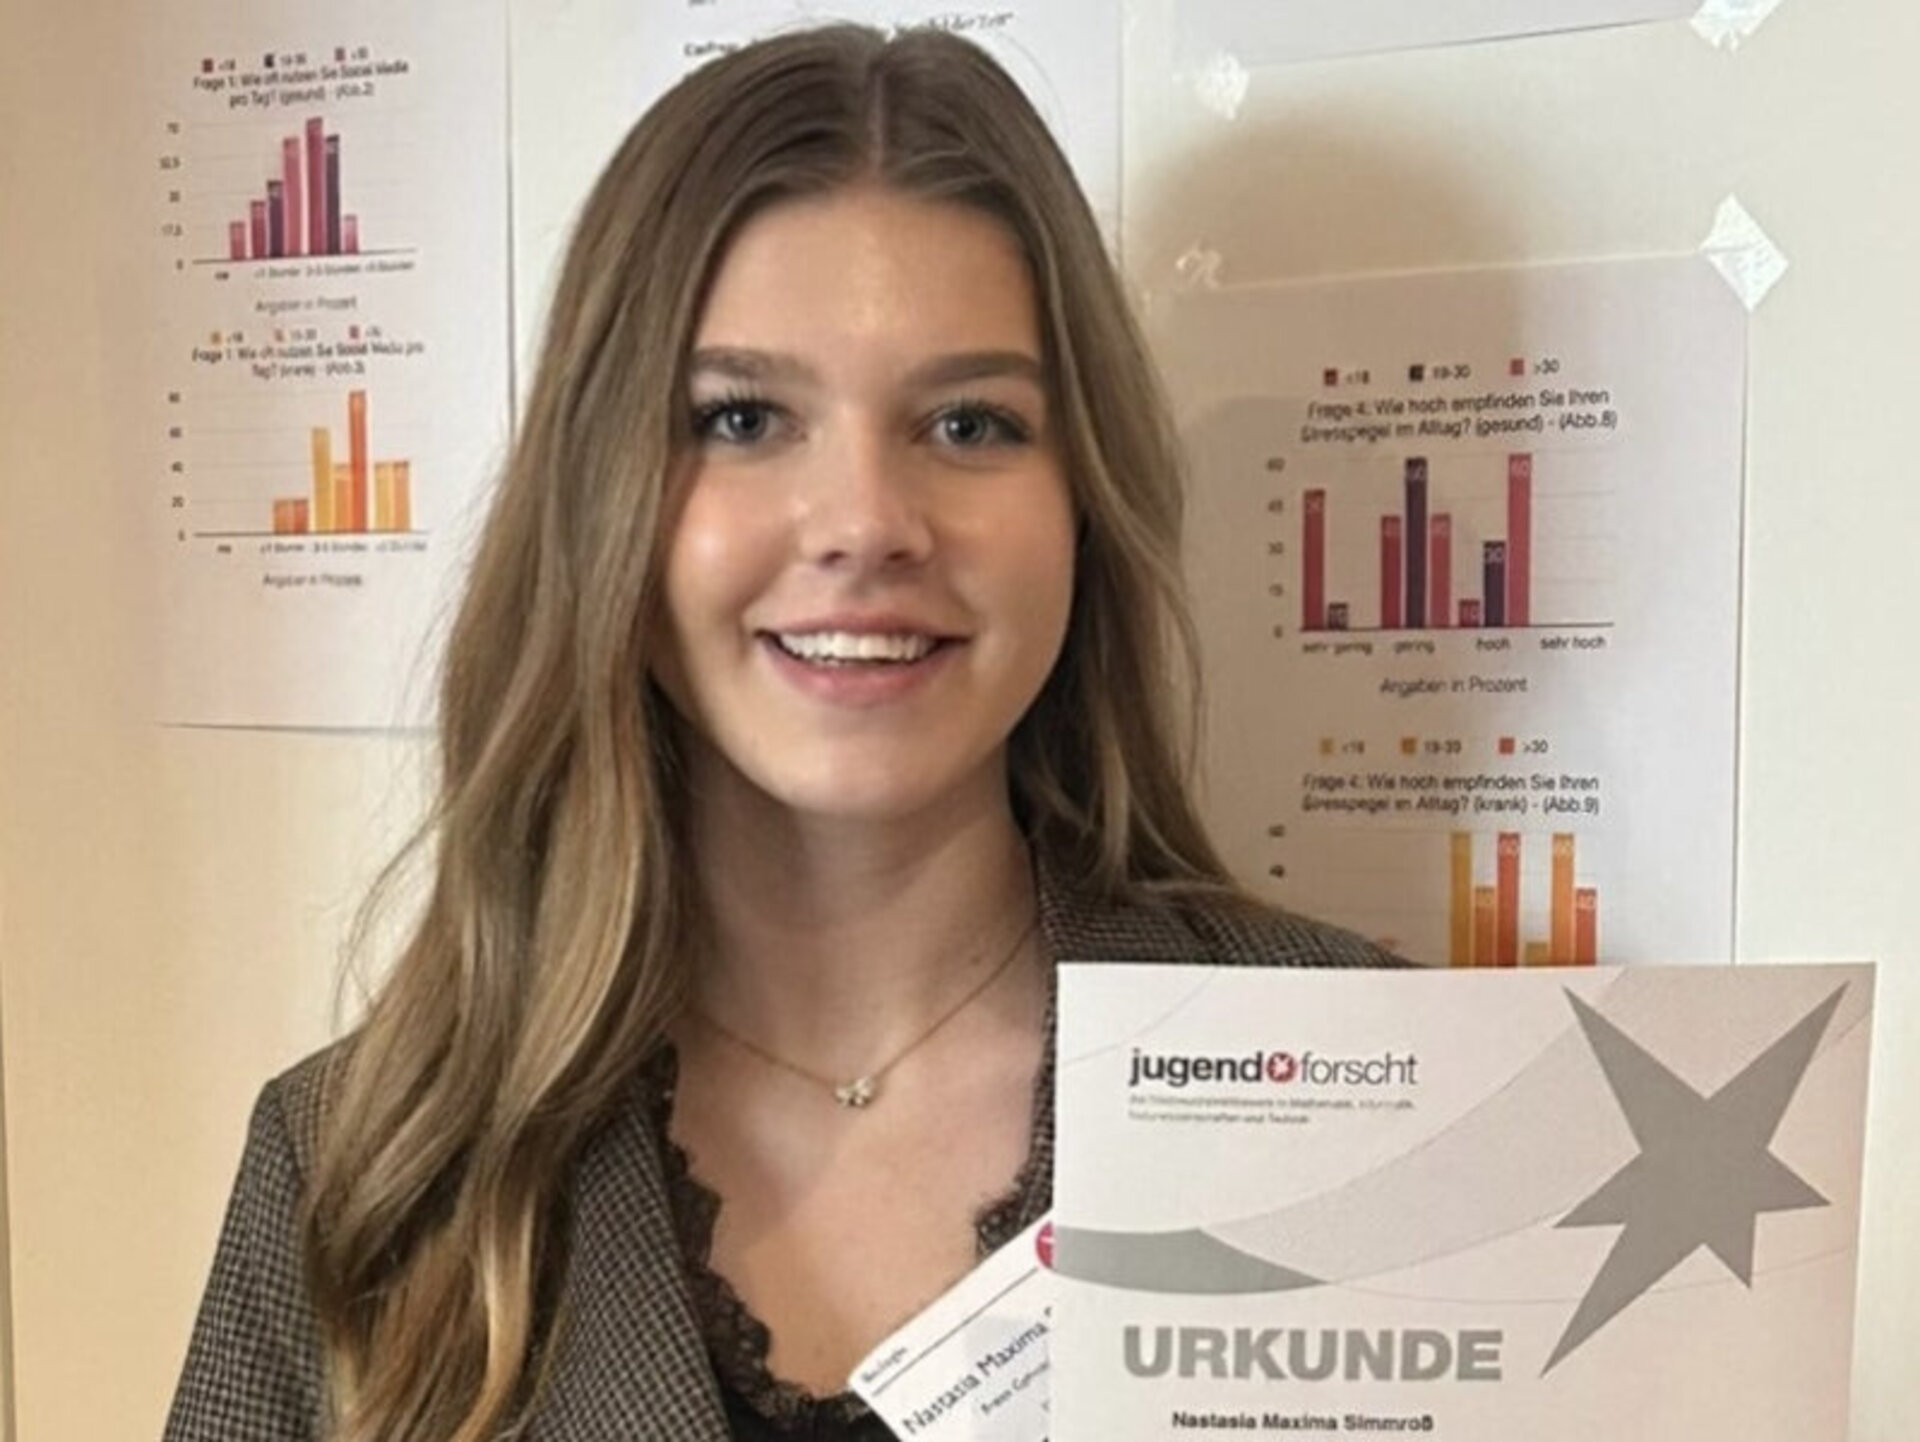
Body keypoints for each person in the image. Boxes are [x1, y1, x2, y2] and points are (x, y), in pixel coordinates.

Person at [163, 23, 1395, 1442]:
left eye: (970, 424)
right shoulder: (369, 1167)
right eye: (742, 417)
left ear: (1082, 500)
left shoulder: (1367, 1075)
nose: (866, 523)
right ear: (603, 500)